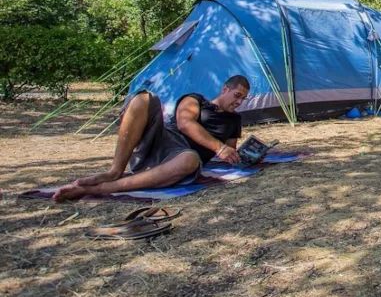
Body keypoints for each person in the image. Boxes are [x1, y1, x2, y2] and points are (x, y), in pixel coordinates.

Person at [52, 75, 251, 202]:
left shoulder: (235, 120)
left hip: (180, 157)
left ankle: (104, 188)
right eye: (237, 95)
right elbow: (184, 123)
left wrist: (242, 156)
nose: (239, 101)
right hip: (163, 138)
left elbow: (230, 150)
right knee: (145, 97)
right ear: (225, 89)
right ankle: (115, 171)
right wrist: (219, 147)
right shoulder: (196, 99)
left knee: (190, 159)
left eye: (243, 99)